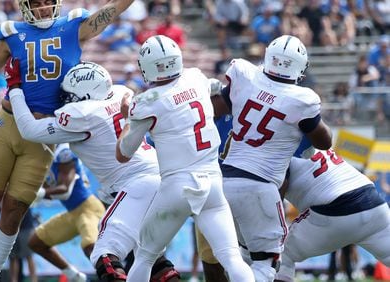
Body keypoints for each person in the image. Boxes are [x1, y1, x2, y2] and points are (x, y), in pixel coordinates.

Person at [0, 0, 138, 280]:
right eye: (37, 4)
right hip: (7, 122)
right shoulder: (13, 32)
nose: (43, 9)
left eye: (48, 3)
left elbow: (111, 11)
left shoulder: (73, 25)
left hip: (45, 132)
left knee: (15, 208)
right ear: (25, 6)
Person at [5, 60, 181, 281]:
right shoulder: (120, 93)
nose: (65, 99)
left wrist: (14, 88)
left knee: (104, 256)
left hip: (138, 183)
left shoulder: (83, 115)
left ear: (86, 95)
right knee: (151, 258)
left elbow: (29, 130)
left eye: (69, 95)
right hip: (162, 175)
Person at [115, 35, 254, 282]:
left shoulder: (145, 103)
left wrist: (128, 117)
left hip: (176, 187)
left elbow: (123, 154)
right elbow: (215, 88)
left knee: (145, 256)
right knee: (231, 258)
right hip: (212, 183)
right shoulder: (195, 76)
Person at [208, 35, 332, 281]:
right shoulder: (302, 99)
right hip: (260, 186)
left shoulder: (245, 75)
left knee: (241, 258)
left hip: (225, 182)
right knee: (266, 264)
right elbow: (324, 142)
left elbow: (217, 109)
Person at [275, 150, 390, 282]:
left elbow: (279, 188)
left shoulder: (277, 147)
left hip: (335, 209)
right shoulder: (312, 138)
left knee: (277, 253)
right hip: (374, 205)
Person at [27, 143, 104, 282]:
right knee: (36, 242)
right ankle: (74, 275)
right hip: (72, 212)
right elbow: (44, 191)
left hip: (88, 208)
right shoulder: (41, 158)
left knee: (90, 246)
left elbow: (65, 190)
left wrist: (42, 193)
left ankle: (112, 278)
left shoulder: (64, 152)